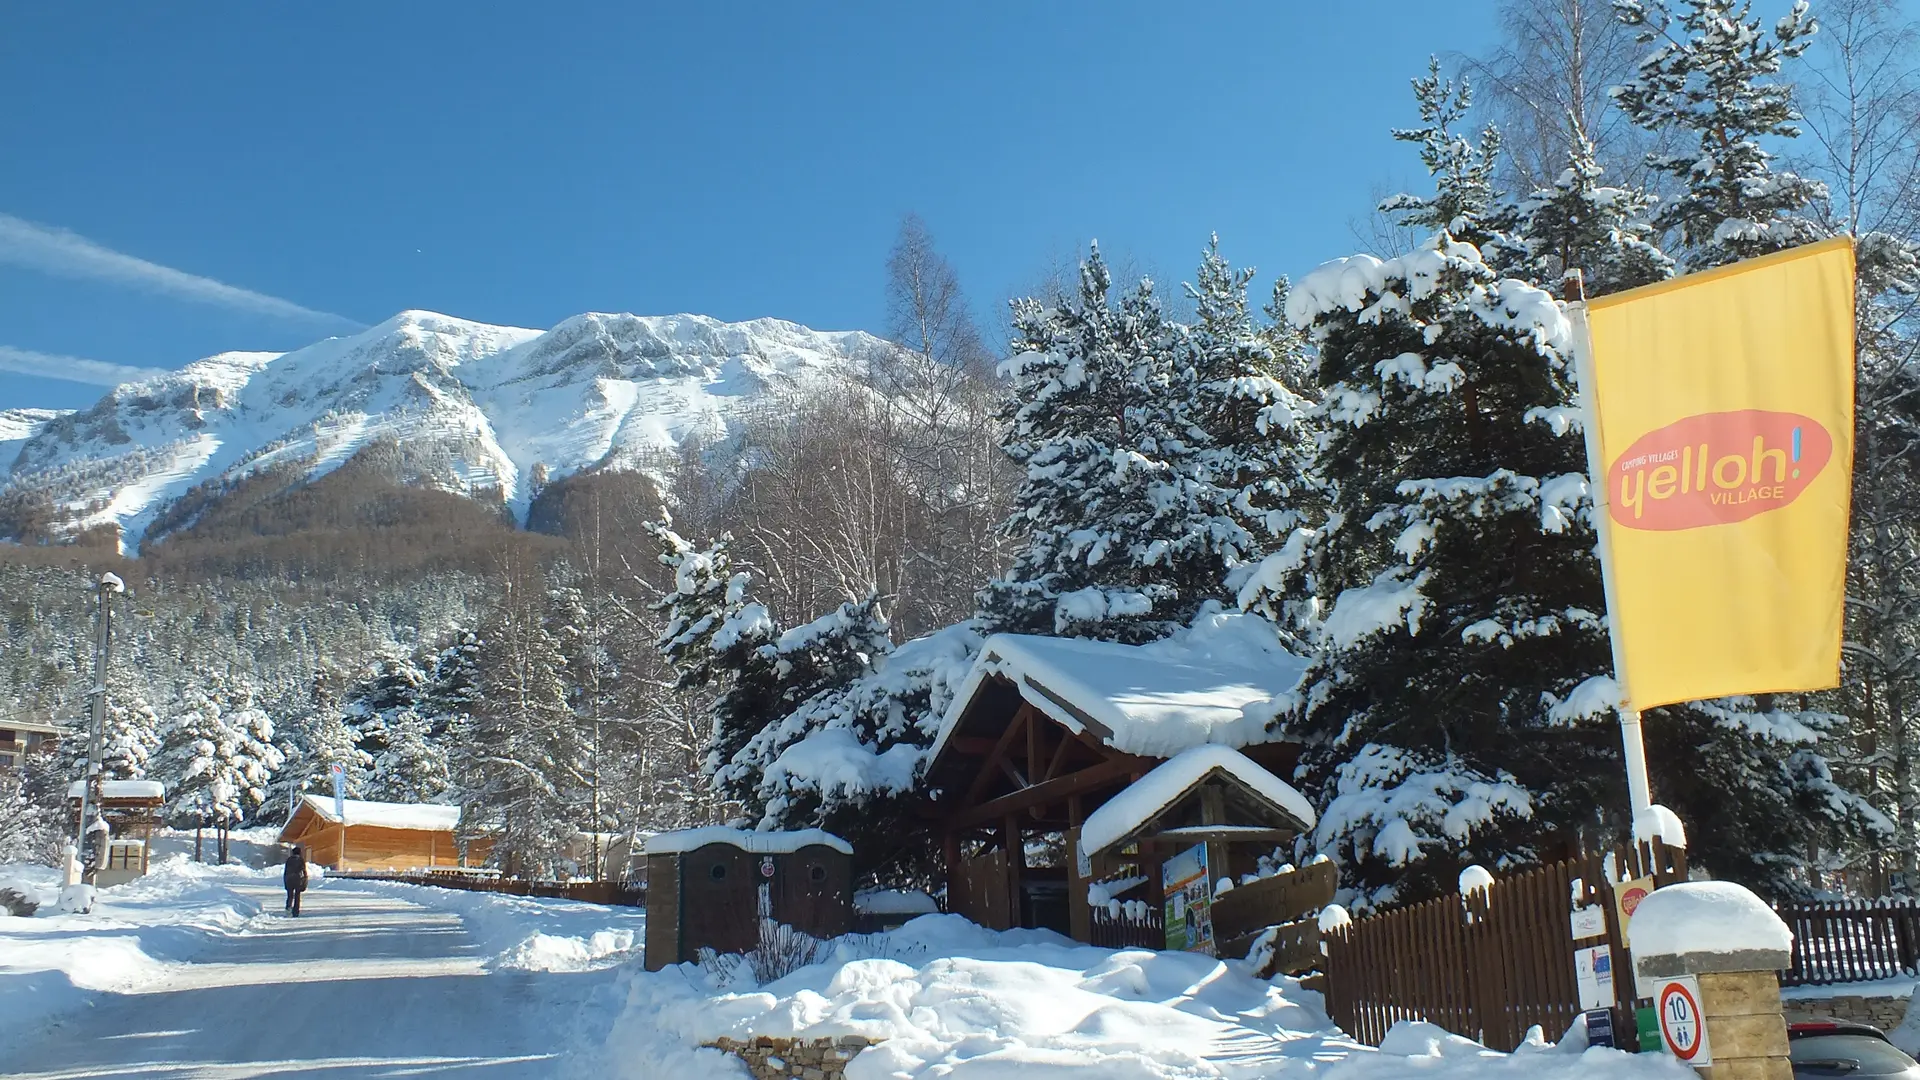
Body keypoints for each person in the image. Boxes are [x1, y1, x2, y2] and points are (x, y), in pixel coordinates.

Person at [283, 845, 308, 917]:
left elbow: (286, 871)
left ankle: (288, 908)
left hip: (289, 879)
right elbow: (304, 871)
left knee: (290, 895)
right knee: (297, 896)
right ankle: (295, 911)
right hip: (298, 880)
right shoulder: (301, 860)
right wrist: (305, 881)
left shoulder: (289, 860)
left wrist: (285, 881)